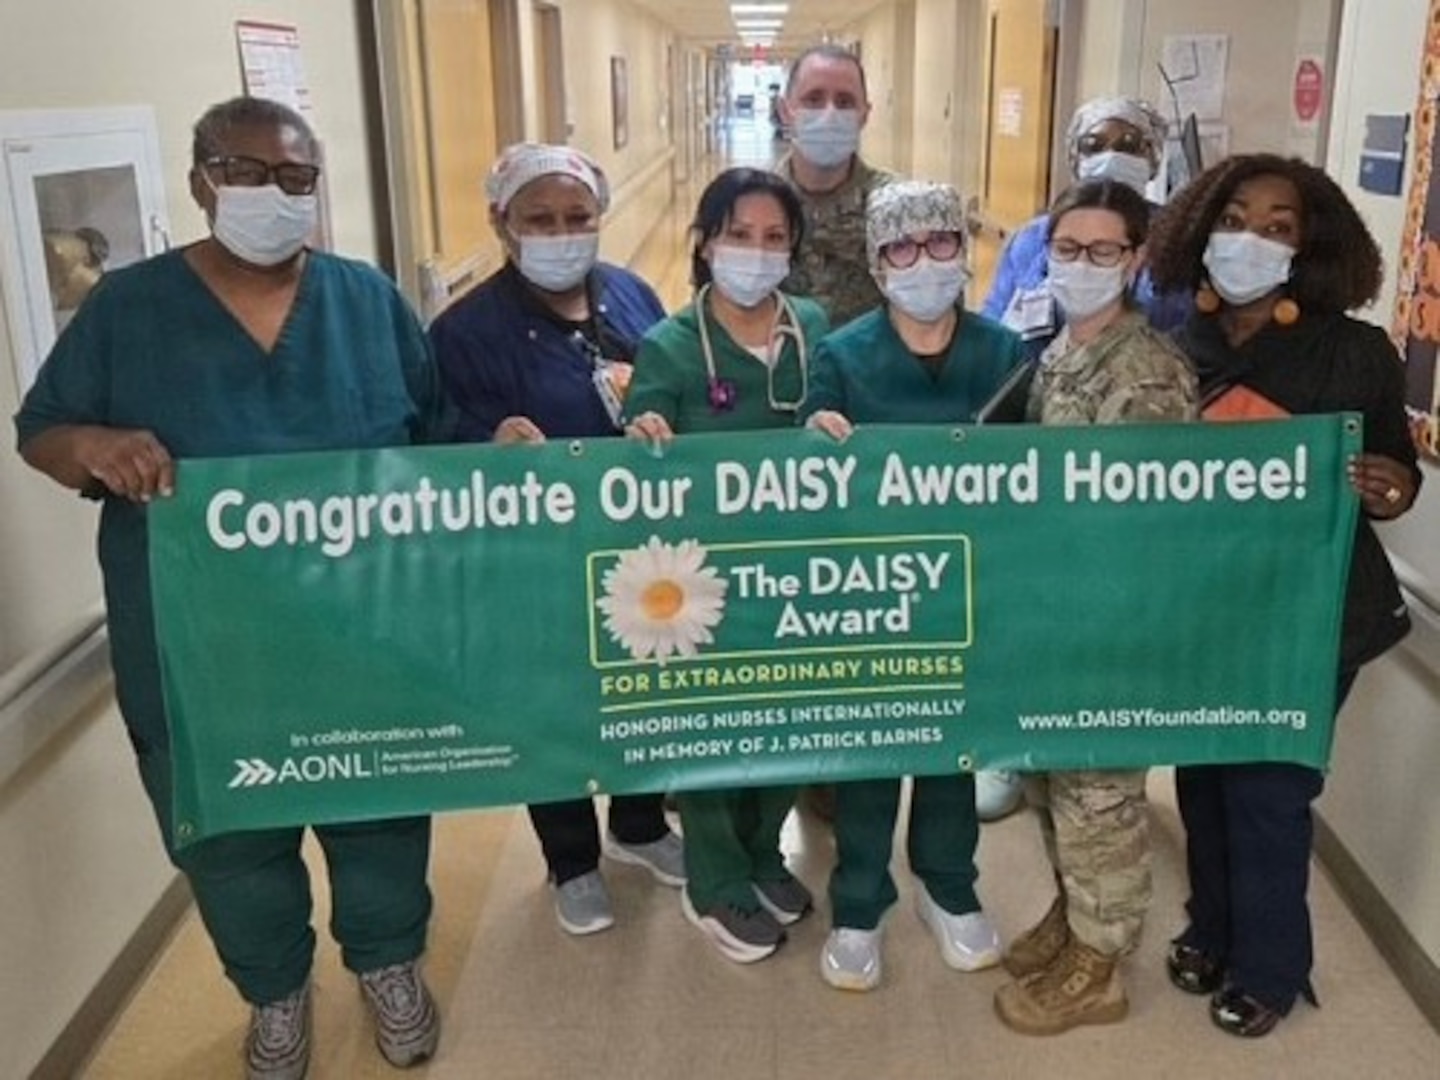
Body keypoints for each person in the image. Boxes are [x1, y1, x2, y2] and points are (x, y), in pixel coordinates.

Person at [14, 96, 443, 1080]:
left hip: (359, 635)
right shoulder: (129, 309)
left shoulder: (366, 301)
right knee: (228, 835)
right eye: (247, 173)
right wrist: (94, 444)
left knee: (379, 808)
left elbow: (435, 439)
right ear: (202, 179)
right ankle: (275, 994)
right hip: (198, 648)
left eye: (297, 179)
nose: (274, 195)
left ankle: (388, 967)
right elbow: (42, 427)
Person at [1145, 153, 1420, 1037]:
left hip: (1309, 615)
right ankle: (1212, 927)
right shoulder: (1164, 339)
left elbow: (1397, 472)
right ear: (1198, 228)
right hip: (1200, 609)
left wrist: (1394, 487)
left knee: (1267, 788)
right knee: (1201, 778)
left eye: (1278, 227)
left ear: (1309, 249)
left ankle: (1270, 966)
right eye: (1234, 219)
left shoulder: (1356, 351)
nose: (1251, 240)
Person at [428, 142, 685, 937]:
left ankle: (639, 826)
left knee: (645, 686)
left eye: (578, 217)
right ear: (501, 223)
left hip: (637, 545)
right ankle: (571, 860)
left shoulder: (634, 295)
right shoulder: (466, 330)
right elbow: (437, 441)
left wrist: (661, 418)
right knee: (550, 701)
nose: (562, 233)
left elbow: (668, 383)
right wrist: (487, 441)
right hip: (533, 559)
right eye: (540, 219)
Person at [800, 179, 1023, 992]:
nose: (923, 262)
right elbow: (809, 472)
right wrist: (815, 438)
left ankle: (949, 889)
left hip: (967, 592)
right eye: (901, 248)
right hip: (873, 596)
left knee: (951, 750)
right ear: (876, 261)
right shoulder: (843, 355)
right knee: (869, 752)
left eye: (940, 244)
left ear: (965, 251)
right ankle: (859, 906)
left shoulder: (1005, 353)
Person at [990, 180, 1197, 1034]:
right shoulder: (1064, 353)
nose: (1082, 265)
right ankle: (1078, 917)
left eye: (1104, 251)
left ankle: (1102, 962)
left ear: (1138, 259)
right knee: (1055, 786)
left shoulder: (1145, 371)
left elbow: (1142, 525)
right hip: (1053, 613)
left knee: (1100, 795)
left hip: (1109, 627)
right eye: (1067, 249)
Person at [624, 166, 829, 962]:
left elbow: (830, 424)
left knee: (788, 728)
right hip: (700, 586)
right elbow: (639, 472)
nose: (756, 251)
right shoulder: (670, 346)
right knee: (714, 735)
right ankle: (714, 883)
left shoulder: (812, 324)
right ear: (706, 245)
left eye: (775, 237)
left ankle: (761, 855)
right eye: (738, 235)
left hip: (794, 575)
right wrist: (642, 438)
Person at [974, 94, 1185, 823]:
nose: (1115, 150)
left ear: (1157, 155)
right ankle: (1012, 744)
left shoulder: (1175, 243)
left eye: (1132, 139)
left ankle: (1104, 762)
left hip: (1125, 443)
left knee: (1105, 624)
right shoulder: (1033, 237)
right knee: (1027, 608)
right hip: (1040, 430)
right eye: (1099, 138)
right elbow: (1001, 327)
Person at [775, 43, 894, 330]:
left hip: (866, 372)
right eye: (813, 99)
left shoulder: (896, 206)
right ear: (785, 110)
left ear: (865, 114)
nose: (829, 113)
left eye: (845, 102)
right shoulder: (753, 205)